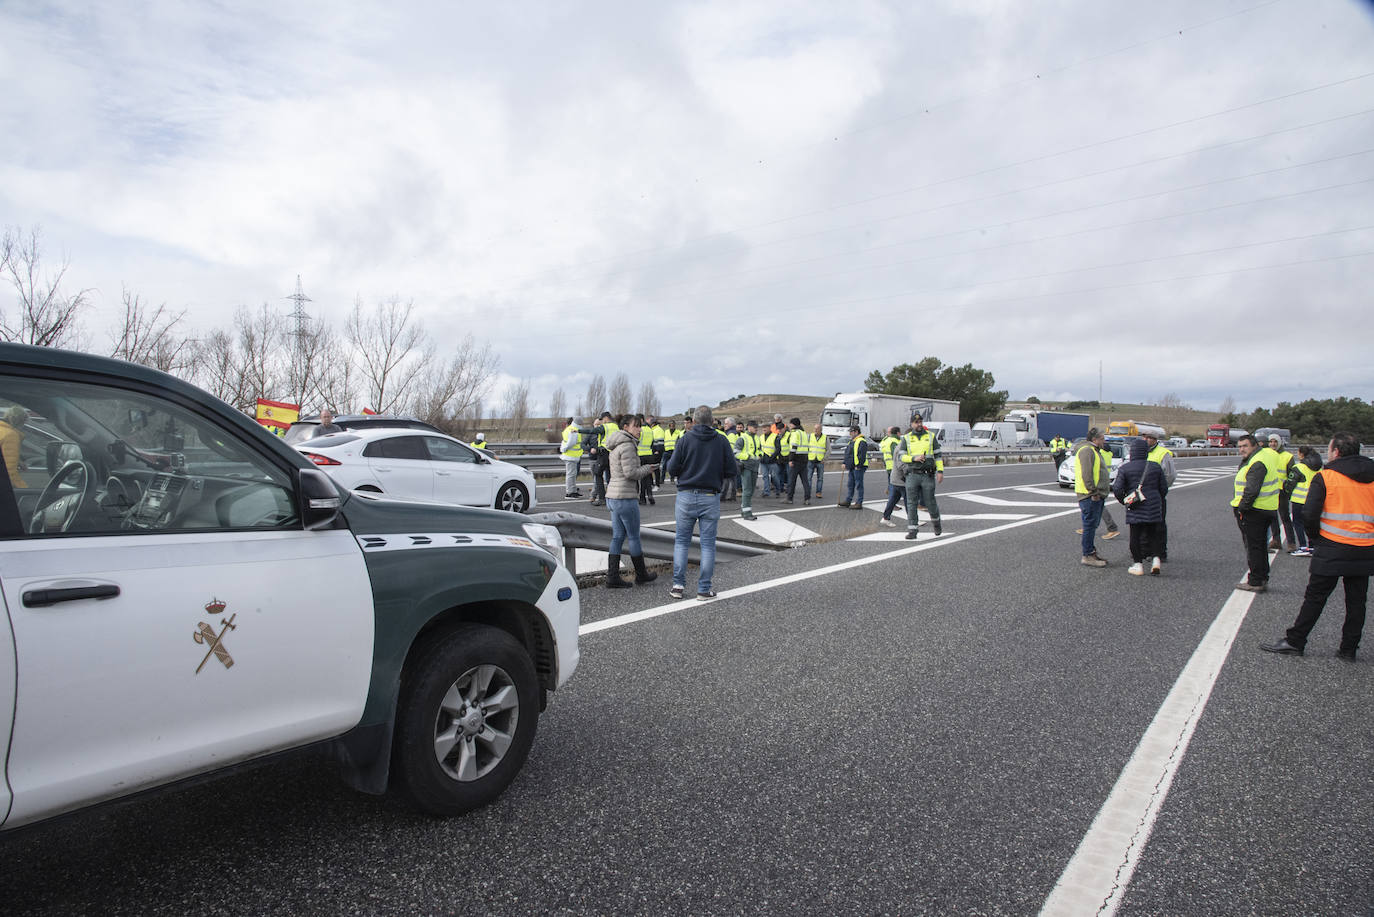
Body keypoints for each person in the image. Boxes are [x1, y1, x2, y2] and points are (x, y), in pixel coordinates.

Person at [1260, 432, 1374, 659]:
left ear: (1337, 452)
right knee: (1357, 601)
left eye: (1330, 450)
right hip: (1365, 547)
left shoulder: (1327, 476)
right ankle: (1349, 649)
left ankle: (1296, 641)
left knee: (1316, 597)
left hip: (1331, 546)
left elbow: (1309, 515)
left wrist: (1316, 539)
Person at [665, 405, 737, 600]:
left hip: (686, 495)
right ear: (712, 421)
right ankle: (704, 589)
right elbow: (732, 470)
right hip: (710, 497)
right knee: (707, 545)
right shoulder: (721, 440)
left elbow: (672, 468)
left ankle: (678, 586)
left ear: (694, 421)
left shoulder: (685, 439)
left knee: (681, 542)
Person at [603, 414, 659, 589]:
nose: (640, 429)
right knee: (633, 536)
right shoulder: (627, 445)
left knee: (618, 537)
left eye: (640, 426)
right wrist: (647, 469)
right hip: (625, 497)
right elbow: (630, 473)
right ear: (625, 427)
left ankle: (612, 577)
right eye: (636, 426)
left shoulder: (615, 443)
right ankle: (641, 575)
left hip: (612, 495)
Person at [1231, 433, 1283, 593]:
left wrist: (1242, 509)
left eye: (1245, 446)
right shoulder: (1261, 457)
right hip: (1264, 509)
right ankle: (1262, 578)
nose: (1241, 449)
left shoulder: (1257, 462)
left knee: (1254, 547)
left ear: (1254, 445)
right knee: (1259, 546)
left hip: (1254, 510)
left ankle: (1255, 581)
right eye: (1239, 446)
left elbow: (1251, 490)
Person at [1112, 437, 1168, 575]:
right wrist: (1157, 499)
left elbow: (1117, 489)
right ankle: (1156, 561)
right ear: (1146, 452)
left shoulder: (1125, 468)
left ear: (1132, 452)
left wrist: (1125, 501)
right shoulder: (1155, 466)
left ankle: (1138, 565)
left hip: (1135, 505)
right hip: (1153, 505)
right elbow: (1164, 488)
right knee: (1154, 534)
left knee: (1135, 536)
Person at [896, 415, 944, 540]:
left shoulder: (930, 436)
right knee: (911, 503)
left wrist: (940, 471)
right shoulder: (906, 438)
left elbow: (938, 456)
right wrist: (914, 458)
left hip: (927, 474)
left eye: (920, 422)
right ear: (911, 424)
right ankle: (912, 530)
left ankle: (936, 523)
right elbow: (901, 457)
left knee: (930, 501)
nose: (919, 424)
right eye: (916, 422)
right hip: (912, 474)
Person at [1076, 428, 1111, 567]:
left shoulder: (1094, 450)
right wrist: (1093, 492)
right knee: (1089, 525)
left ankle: (1090, 552)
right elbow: (1087, 473)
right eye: (1102, 439)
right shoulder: (1087, 451)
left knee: (1092, 525)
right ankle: (1088, 555)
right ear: (1095, 439)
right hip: (1089, 495)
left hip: (1094, 494)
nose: (1104, 441)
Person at [1142, 430, 1177, 561]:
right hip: (1142, 494)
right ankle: (1145, 551)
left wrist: (1161, 490)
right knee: (1142, 524)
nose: (1146, 440)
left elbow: (1170, 475)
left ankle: (1160, 553)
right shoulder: (1141, 451)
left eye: (1149, 438)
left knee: (1159, 524)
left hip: (1156, 494)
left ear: (1155, 439)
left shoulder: (1163, 453)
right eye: (1144, 437)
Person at [1285, 444, 1323, 556]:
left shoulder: (1299, 467)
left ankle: (1302, 546)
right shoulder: (1318, 467)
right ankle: (1312, 546)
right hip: (1313, 501)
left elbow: (1289, 484)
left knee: (1298, 523)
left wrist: (1286, 491)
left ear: (1301, 454)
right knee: (1311, 523)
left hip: (1299, 500)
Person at [1266, 434, 1296, 551]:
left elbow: (1292, 475)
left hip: (1282, 491)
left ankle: (1291, 543)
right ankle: (1276, 540)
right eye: (1271, 441)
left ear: (1279, 443)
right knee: (1272, 517)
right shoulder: (1267, 454)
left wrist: (1288, 489)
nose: (1273, 444)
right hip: (1270, 490)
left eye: (1275, 442)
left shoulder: (1287, 456)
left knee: (1285, 517)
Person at [587, 411, 618, 506]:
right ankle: (612, 497)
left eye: (602, 419)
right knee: (610, 477)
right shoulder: (616, 427)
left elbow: (591, 431)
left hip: (603, 454)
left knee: (597, 474)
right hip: (613, 453)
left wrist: (577, 430)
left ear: (605, 418)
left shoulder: (605, 427)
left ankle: (602, 498)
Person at [783, 418, 812, 505]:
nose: (790, 425)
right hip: (804, 459)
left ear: (794, 424)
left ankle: (789, 498)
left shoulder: (795, 433)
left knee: (792, 480)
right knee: (805, 481)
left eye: (791, 424)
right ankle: (807, 499)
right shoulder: (804, 433)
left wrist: (791, 459)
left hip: (796, 460)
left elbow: (793, 447)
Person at [736, 420, 761, 521]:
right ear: (749, 427)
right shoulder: (742, 438)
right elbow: (735, 453)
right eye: (755, 427)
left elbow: (759, 449)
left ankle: (745, 510)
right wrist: (747, 457)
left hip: (755, 467)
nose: (756, 429)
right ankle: (747, 513)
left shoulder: (757, 438)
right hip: (746, 467)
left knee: (751, 490)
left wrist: (760, 455)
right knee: (747, 490)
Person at [839, 425, 868, 509]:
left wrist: (858, 466)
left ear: (856, 432)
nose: (850, 433)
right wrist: (845, 463)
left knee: (859, 485)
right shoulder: (852, 441)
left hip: (858, 467)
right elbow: (848, 454)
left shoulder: (861, 441)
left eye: (851, 432)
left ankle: (859, 503)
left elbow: (861, 455)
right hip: (852, 466)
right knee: (850, 484)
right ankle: (848, 500)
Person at [0, 405, 29, 489]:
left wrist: (17, 461)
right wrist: (22, 487)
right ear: (22, 421)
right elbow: (9, 470)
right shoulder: (11, 435)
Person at [558, 416, 584, 498]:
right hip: (571, 456)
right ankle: (570, 492)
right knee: (571, 475)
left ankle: (573, 491)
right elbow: (571, 443)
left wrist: (563, 449)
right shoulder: (574, 430)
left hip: (571, 456)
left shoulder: (569, 428)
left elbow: (565, 442)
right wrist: (564, 449)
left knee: (572, 474)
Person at [636, 414, 658, 506]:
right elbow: (653, 444)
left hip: (640, 455)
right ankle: (650, 494)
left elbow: (636, 442)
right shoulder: (650, 430)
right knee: (648, 477)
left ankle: (642, 498)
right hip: (649, 455)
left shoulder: (640, 430)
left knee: (641, 478)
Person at [759, 421, 783, 498]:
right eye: (763, 428)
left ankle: (778, 490)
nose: (763, 430)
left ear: (769, 428)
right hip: (763, 461)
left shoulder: (775, 437)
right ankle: (766, 492)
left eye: (765, 428)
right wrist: (760, 456)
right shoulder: (761, 437)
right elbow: (759, 448)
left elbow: (778, 449)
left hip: (772, 461)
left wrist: (772, 457)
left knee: (775, 476)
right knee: (765, 476)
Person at [720, 418, 740, 502]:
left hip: (731, 459)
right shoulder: (735, 432)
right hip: (736, 458)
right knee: (733, 478)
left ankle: (723, 496)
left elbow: (730, 448)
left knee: (727, 478)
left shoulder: (730, 434)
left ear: (731, 424)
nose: (724, 425)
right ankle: (733, 496)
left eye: (726, 423)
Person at [807, 423, 828, 500]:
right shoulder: (809, 436)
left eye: (817, 429)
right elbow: (806, 447)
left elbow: (829, 449)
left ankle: (818, 492)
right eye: (814, 429)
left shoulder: (825, 438)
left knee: (820, 478)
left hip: (820, 461)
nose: (815, 430)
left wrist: (824, 459)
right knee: (808, 477)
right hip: (811, 460)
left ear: (820, 430)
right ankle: (808, 492)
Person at [661, 419, 683, 485]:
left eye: (673, 424)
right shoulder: (666, 432)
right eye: (670, 424)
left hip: (674, 451)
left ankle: (672, 479)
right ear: (669, 425)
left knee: (673, 466)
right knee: (664, 466)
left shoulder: (678, 432)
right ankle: (662, 479)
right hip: (666, 451)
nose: (672, 425)